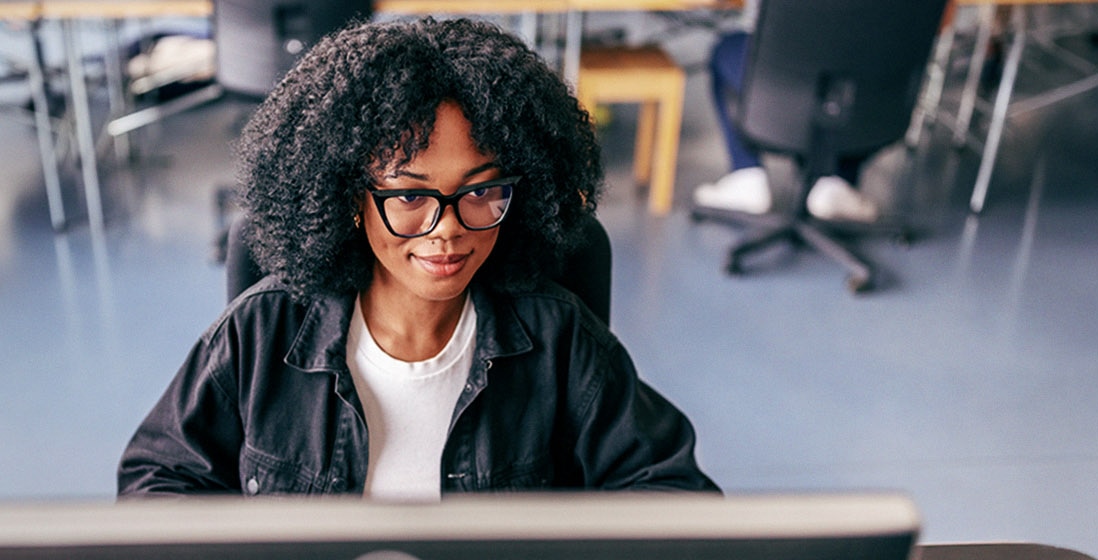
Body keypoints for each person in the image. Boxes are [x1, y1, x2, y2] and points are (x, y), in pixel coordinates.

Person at [118, 18, 719, 498]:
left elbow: (672, 493)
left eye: (481, 191)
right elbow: (158, 481)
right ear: (349, 198)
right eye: (409, 196)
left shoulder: (560, 337)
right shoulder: (258, 330)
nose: (448, 230)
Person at [691, 30, 883, 223]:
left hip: (785, 83)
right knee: (867, 47)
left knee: (726, 48)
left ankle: (746, 172)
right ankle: (838, 180)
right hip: (866, 87)